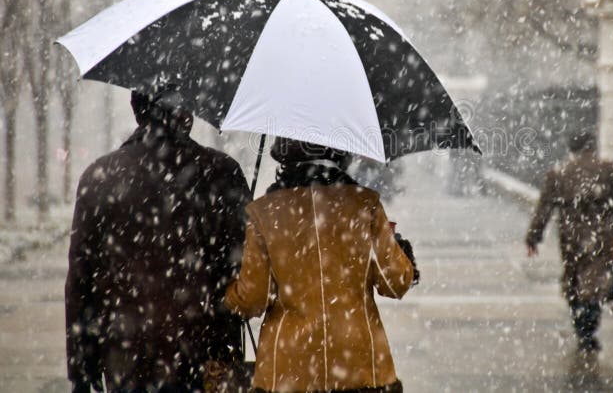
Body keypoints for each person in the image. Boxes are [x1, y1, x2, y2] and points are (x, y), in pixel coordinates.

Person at [65, 86, 251, 392]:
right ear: (186, 115)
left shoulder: (100, 178)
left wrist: (82, 371)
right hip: (208, 361)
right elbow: (244, 271)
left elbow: (81, 284)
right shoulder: (221, 173)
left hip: (127, 358)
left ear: (138, 111)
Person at [225, 137, 418, 393]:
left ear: (283, 154)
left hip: (287, 367)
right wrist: (398, 256)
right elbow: (395, 283)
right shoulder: (365, 204)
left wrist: (228, 295)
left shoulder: (265, 212)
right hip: (359, 363)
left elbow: (253, 298)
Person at [525, 131, 613, 351]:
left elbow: (544, 208)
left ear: (571, 148)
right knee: (594, 283)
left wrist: (534, 237)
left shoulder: (559, 173)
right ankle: (588, 328)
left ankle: (580, 323)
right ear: (593, 146)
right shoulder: (610, 170)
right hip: (603, 235)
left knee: (573, 278)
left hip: (571, 235)